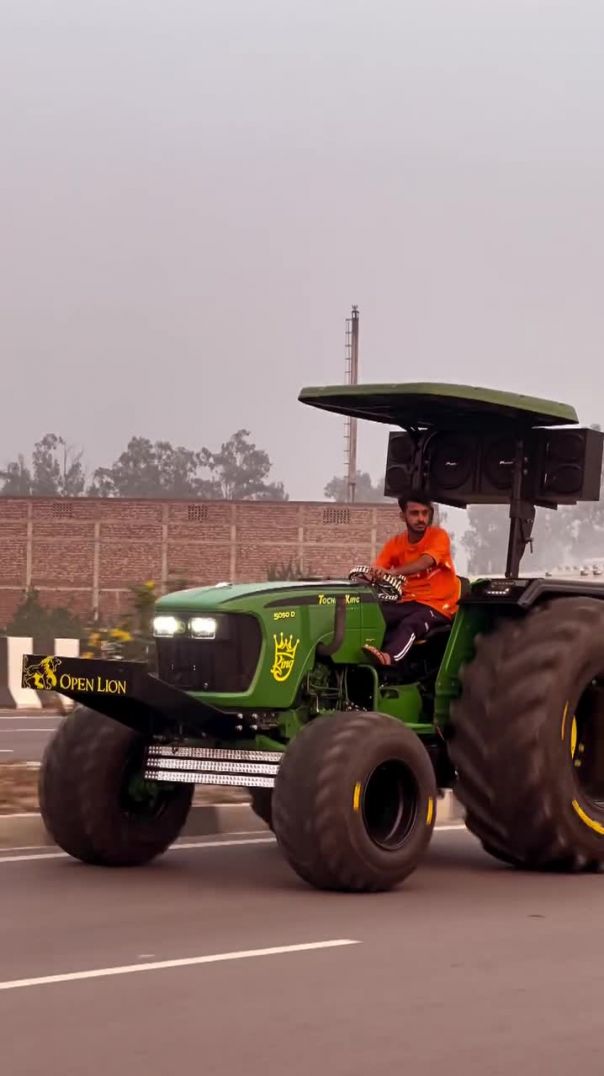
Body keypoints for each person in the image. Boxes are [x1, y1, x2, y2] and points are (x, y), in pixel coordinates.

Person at [362, 492, 460, 667]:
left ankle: (389, 658)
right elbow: (378, 568)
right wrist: (372, 574)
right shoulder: (395, 543)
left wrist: (393, 572)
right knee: (373, 613)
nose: (421, 518)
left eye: (425, 513)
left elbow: (425, 561)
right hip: (410, 602)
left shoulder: (439, 536)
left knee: (411, 623)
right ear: (403, 516)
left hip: (439, 605)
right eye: (415, 513)